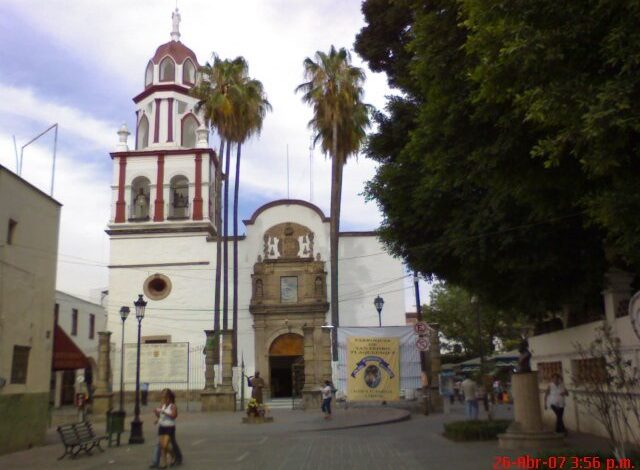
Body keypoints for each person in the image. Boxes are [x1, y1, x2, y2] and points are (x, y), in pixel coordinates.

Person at [150, 389, 182, 468]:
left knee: (165, 445)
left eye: (164, 397)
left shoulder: (173, 406)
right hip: (162, 427)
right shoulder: (162, 405)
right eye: (162, 397)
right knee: (162, 446)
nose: (163, 399)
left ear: (168, 398)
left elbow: (174, 416)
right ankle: (164, 463)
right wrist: (156, 414)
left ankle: (173, 455)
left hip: (169, 427)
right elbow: (160, 416)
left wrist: (165, 412)